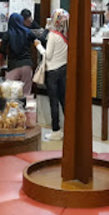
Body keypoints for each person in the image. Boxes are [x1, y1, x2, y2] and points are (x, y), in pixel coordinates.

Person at [35, 9, 69, 141]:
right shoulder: (66, 35)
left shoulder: (53, 35)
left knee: (53, 102)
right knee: (64, 100)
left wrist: (38, 46)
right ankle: (70, 129)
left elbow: (48, 55)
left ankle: (56, 130)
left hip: (52, 72)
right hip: (63, 69)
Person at [0, 13, 36, 95]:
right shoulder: (28, 32)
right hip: (27, 65)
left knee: (9, 93)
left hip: (13, 66)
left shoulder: (7, 34)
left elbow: (2, 50)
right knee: (26, 93)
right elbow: (38, 40)